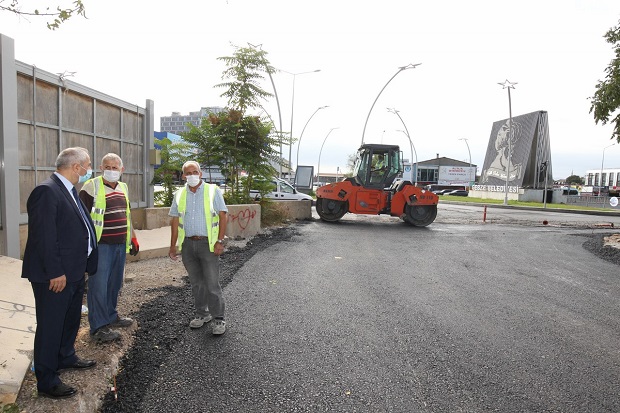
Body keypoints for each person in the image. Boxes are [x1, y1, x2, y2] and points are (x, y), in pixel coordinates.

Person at [21, 147, 98, 399]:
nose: (89, 170)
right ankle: (47, 380)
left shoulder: (69, 191)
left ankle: (65, 356)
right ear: (76, 167)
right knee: (51, 326)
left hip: (74, 272)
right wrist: (55, 272)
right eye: (87, 165)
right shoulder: (47, 191)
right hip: (55, 276)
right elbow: (44, 238)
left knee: (69, 320)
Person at [79, 153, 139, 343]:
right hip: (101, 245)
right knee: (98, 285)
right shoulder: (91, 186)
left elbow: (127, 214)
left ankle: (111, 316)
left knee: (114, 283)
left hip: (120, 243)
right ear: (100, 168)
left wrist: (133, 238)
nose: (111, 171)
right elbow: (81, 218)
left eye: (115, 167)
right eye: (108, 167)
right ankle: (98, 327)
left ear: (122, 170)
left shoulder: (123, 187)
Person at [168, 161, 228, 335]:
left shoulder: (212, 191)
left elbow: (223, 216)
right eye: (188, 173)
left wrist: (220, 241)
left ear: (200, 174)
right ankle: (202, 314)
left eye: (195, 172)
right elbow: (174, 220)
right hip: (187, 244)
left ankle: (218, 319)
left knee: (211, 283)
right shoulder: (179, 194)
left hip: (208, 244)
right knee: (196, 283)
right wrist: (173, 245)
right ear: (183, 176)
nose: (192, 175)